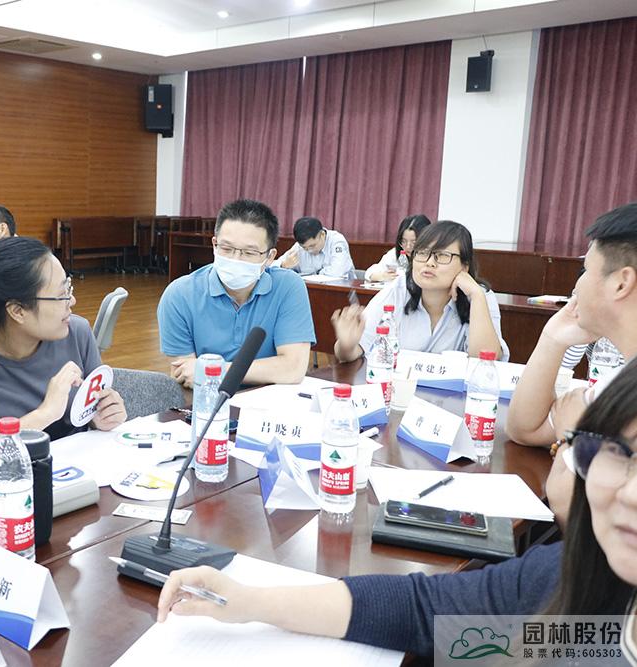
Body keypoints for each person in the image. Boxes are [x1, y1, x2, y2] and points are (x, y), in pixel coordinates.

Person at [157, 360, 637, 660]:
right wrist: (249, 602)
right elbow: (425, 610)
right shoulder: (576, 579)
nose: (631, 494)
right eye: (621, 452)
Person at [0, 236, 127, 469]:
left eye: (69, 287)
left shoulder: (77, 332)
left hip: (82, 473)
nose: (72, 300)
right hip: (11, 480)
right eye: (62, 294)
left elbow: (94, 411)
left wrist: (104, 415)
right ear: (18, 311)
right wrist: (44, 414)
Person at [508, 202, 637, 449]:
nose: (577, 286)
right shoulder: (623, 378)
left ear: (621, 283)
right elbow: (525, 429)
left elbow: (568, 479)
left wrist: (574, 435)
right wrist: (552, 340)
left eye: (585, 270)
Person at [157, 199, 315, 388]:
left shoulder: (288, 287)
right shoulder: (179, 295)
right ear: (214, 245)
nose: (236, 259)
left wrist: (215, 370)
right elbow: (187, 377)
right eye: (226, 248)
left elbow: (293, 368)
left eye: (249, 252)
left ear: (270, 257)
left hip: (270, 401)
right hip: (207, 401)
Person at [331, 220, 508, 362]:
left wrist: (476, 296)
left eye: (442, 256)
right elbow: (349, 353)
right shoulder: (398, 289)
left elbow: (486, 360)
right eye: (422, 253)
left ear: (464, 266)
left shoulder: (479, 295)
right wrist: (347, 345)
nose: (429, 263)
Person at [274, 216, 355, 279]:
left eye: (312, 246)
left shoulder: (336, 241)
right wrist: (283, 265)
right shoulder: (299, 247)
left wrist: (317, 273)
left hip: (342, 290)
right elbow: (273, 267)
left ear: (322, 234)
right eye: (305, 248)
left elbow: (338, 271)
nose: (309, 250)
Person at [364, 214, 431, 282]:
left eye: (414, 242)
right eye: (404, 241)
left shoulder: (432, 257)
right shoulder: (396, 253)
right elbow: (370, 272)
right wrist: (382, 276)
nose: (408, 247)